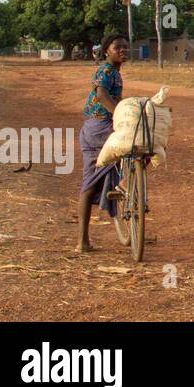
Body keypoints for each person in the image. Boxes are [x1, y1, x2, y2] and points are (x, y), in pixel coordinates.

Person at [76, 34, 130, 252]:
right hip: (98, 128)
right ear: (107, 50)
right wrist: (119, 113)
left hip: (98, 126)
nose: (123, 50)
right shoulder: (106, 71)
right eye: (118, 47)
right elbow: (100, 94)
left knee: (91, 181)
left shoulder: (115, 72)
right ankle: (82, 241)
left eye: (126, 47)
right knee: (90, 182)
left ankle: (83, 241)